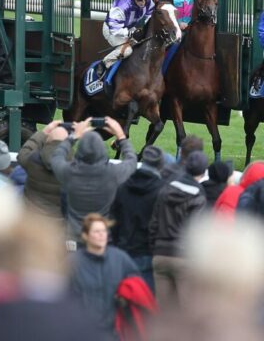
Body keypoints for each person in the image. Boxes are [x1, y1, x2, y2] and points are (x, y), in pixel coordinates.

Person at [49, 116, 138, 247]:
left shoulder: (69, 172)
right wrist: (121, 136)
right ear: (103, 151)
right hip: (101, 238)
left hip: (74, 237)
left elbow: (56, 156)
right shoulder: (112, 173)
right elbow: (131, 160)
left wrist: (73, 136)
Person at [149, 150, 208, 306]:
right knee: (185, 313)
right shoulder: (199, 195)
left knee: (162, 311)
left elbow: (154, 223)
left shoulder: (165, 189)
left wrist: (155, 248)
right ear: (203, 172)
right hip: (183, 257)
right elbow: (197, 232)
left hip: (160, 254)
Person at [69, 213, 140, 335]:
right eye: (96, 231)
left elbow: (137, 288)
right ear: (85, 235)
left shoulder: (120, 259)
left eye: (104, 231)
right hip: (82, 332)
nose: (101, 234)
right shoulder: (72, 263)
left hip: (113, 332)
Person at [110, 145, 165, 292]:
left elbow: (113, 219)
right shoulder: (162, 191)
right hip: (146, 252)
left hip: (123, 249)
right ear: (160, 165)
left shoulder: (123, 187)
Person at [97, 0, 156, 79]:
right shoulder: (121, 7)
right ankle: (104, 64)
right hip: (112, 30)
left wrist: (144, 30)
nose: (143, 1)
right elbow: (114, 29)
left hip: (129, 27)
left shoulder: (149, 2)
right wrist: (130, 34)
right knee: (127, 50)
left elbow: (150, 16)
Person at [17, 122, 67, 221]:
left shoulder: (33, 161)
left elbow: (24, 152)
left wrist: (44, 132)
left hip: (32, 220)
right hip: (58, 223)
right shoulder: (73, 166)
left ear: (48, 141)